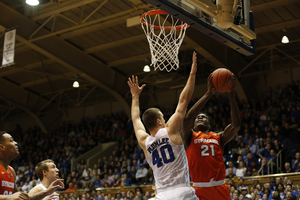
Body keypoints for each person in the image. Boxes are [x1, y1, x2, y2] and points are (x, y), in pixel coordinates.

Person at [127, 52, 198, 200]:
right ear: (159, 121)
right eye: (163, 118)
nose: (165, 120)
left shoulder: (145, 142)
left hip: (161, 196)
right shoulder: (170, 130)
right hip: (182, 192)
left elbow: (135, 119)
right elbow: (183, 101)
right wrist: (192, 74)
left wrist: (135, 97)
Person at [181, 73, 241, 200]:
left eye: (204, 117)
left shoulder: (219, 137)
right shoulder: (189, 137)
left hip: (219, 187)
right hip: (199, 188)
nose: (200, 118)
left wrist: (231, 95)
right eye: (198, 118)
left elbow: (236, 125)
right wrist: (208, 94)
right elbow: (187, 119)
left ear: (209, 123)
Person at [0, 131, 64, 200]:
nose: (16, 143)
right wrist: (8, 197)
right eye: (11, 141)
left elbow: (23, 198)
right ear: (2, 146)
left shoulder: (11, 171)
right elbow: (12, 197)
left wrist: (46, 192)